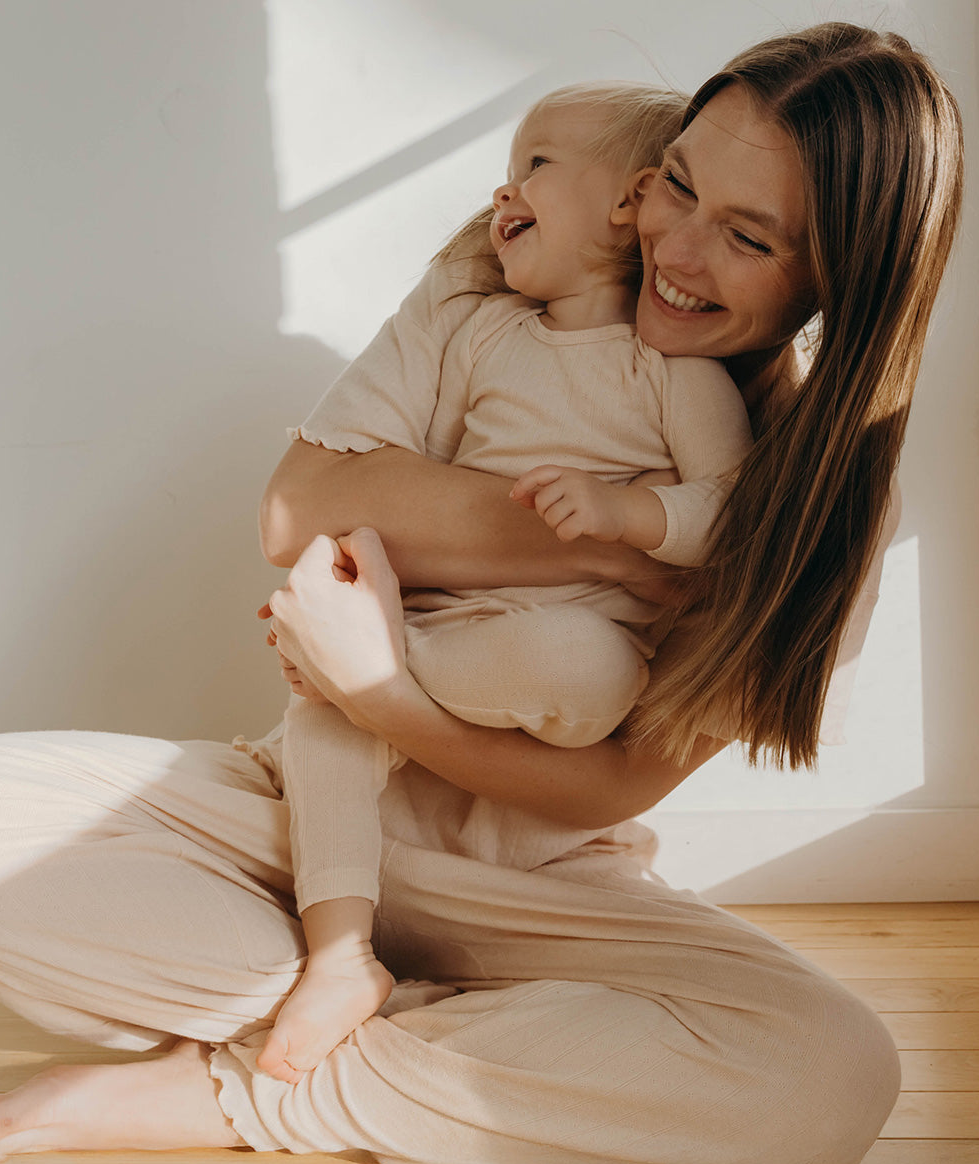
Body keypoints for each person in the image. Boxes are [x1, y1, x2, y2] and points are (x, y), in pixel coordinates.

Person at [0, 22, 964, 1164]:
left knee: (836, 1077)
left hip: (542, 891)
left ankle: (253, 1085)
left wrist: (378, 692)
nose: (674, 251)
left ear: (836, 279)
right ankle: (434, 1029)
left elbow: (615, 781)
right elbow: (301, 511)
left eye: (746, 237)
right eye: (676, 186)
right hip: (303, 824)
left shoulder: (817, 491)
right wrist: (623, 558)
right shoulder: (495, 280)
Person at [264, 80, 753, 1085]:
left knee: (567, 662)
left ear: (628, 201)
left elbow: (730, 512)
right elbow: (353, 495)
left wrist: (627, 518)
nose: (503, 188)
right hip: (454, 631)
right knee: (321, 727)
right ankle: (342, 953)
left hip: (566, 649)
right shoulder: (480, 328)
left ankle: (371, 667)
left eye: (535, 162)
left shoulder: (670, 372)